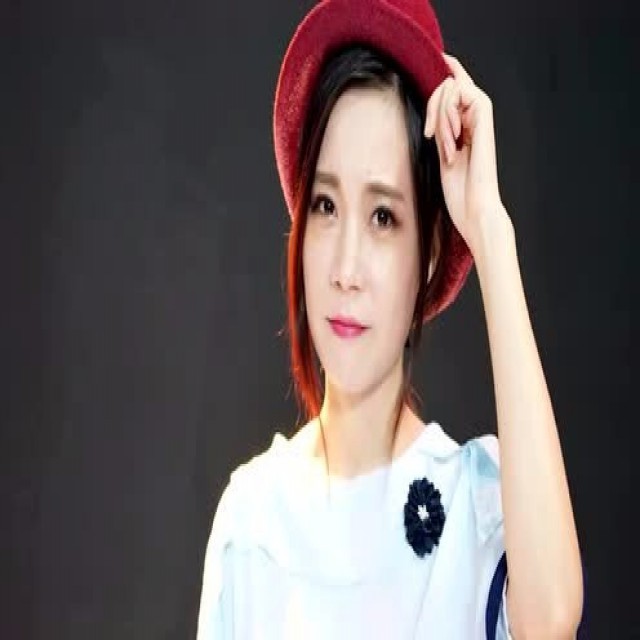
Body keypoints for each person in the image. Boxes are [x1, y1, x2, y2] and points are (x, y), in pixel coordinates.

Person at [196, 0, 585, 637]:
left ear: (428, 255)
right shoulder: (252, 520)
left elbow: (552, 620)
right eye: (325, 206)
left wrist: (490, 230)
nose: (346, 268)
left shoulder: (477, 506)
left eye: (383, 217)